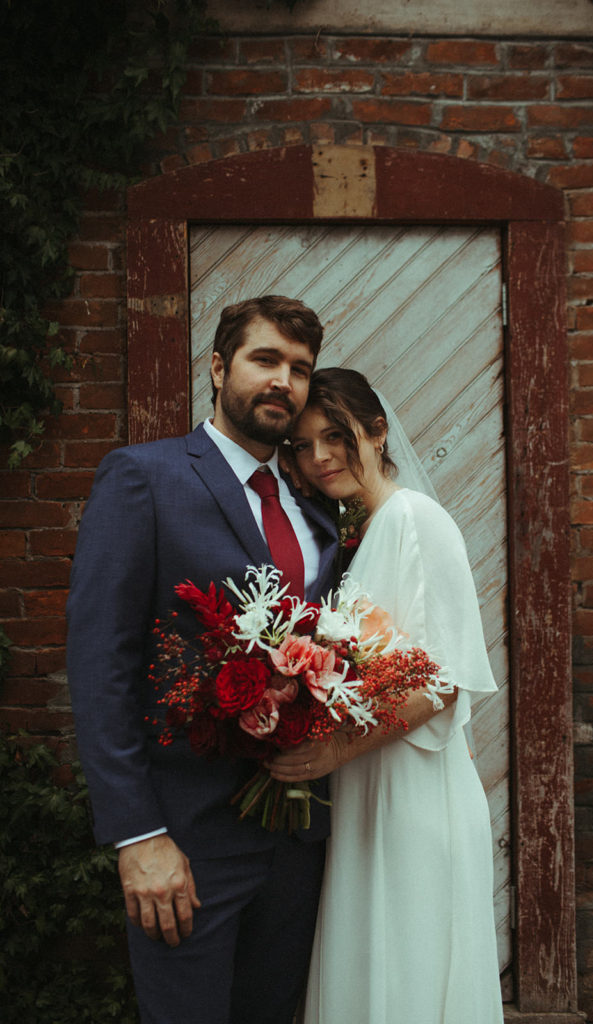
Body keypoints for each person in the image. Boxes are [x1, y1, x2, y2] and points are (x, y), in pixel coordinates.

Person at [66, 296, 339, 1024]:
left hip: (298, 841)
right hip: (185, 840)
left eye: (300, 369)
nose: (284, 381)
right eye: (265, 360)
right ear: (218, 368)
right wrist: (137, 836)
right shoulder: (144, 478)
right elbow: (101, 668)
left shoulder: (316, 508)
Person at [269, 367, 504, 1024]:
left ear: (376, 431)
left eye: (335, 437)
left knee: (408, 974)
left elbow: (438, 682)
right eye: (301, 445)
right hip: (370, 789)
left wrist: (328, 755)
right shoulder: (365, 532)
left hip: (413, 795)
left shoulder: (414, 520)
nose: (318, 458)